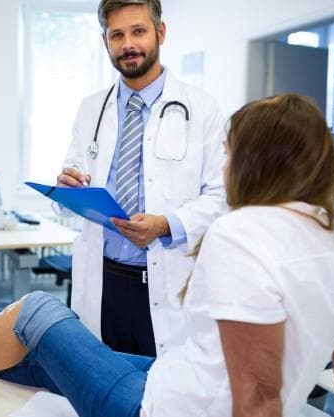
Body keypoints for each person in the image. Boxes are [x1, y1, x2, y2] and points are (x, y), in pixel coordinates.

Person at [0, 94, 334, 417]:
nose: (225, 166)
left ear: (259, 161)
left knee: (37, 309)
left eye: (230, 153)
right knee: (57, 357)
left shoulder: (240, 233)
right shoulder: (332, 236)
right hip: (180, 377)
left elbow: (259, 398)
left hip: (160, 406)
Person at [54, 0, 227, 356]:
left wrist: (166, 224)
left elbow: (222, 196)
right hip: (103, 280)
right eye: (117, 35)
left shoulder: (203, 108)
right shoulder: (91, 109)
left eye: (138, 31)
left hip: (166, 279)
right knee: (102, 390)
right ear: (105, 41)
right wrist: (66, 188)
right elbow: (72, 185)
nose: (128, 44)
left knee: (165, 396)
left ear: (160, 33)